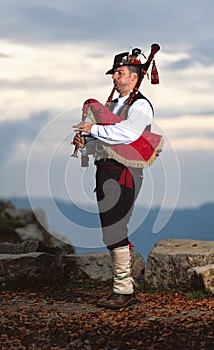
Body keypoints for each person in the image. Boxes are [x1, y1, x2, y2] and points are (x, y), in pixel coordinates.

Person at [72, 47, 158, 309]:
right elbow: (103, 140)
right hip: (105, 169)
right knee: (110, 229)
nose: (114, 78)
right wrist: (85, 140)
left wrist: (93, 127)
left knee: (114, 227)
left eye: (119, 73)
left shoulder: (140, 104)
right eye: (114, 73)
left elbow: (129, 134)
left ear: (134, 76)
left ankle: (124, 291)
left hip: (125, 172)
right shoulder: (112, 106)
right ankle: (122, 288)